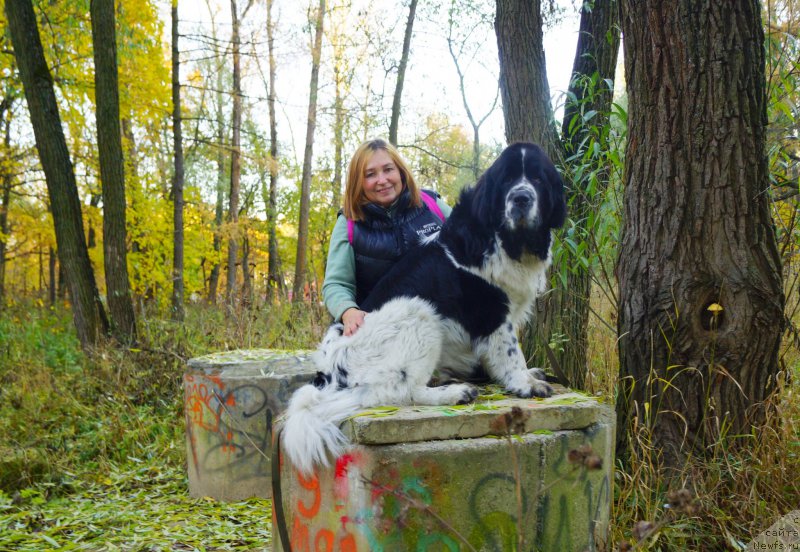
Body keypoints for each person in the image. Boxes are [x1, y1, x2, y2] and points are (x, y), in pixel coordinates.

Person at [322, 138, 451, 336]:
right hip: (382, 336)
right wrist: (348, 311)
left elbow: (473, 244)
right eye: (370, 174)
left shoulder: (433, 206)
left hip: (443, 331)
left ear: (400, 171)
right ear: (359, 182)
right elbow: (336, 284)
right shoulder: (349, 223)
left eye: (388, 169)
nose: (382, 180)